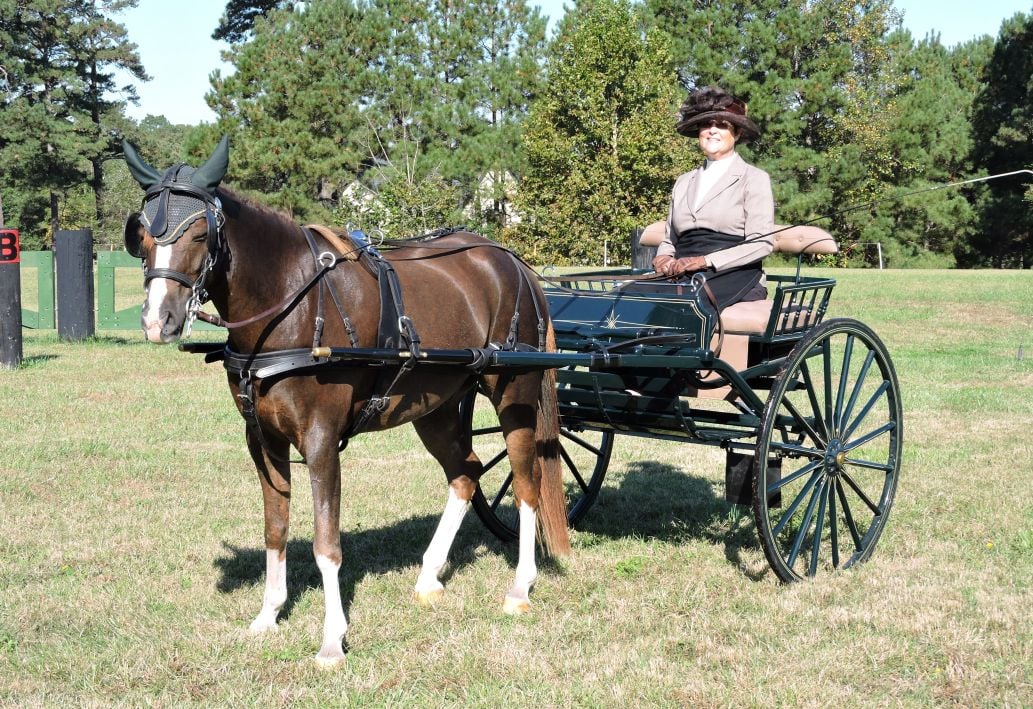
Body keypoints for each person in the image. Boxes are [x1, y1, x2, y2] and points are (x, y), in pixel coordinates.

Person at [652, 86, 775, 308]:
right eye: (706, 124)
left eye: (722, 125)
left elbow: (762, 244)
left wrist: (706, 261)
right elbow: (670, 240)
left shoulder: (754, 178)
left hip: (733, 273)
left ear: (736, 133)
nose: (712, 130)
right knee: (629, 296)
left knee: (681, 305)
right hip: (682, 271)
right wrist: (664, 258)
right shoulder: (683, 182)